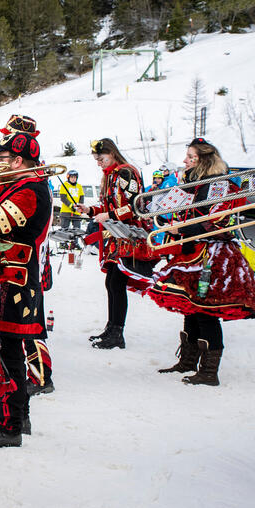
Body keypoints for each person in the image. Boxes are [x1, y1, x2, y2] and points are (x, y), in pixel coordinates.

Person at [148, 138, 255, 385]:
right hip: (191, 249)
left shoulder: (218, 185)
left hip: (212, 253)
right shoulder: (190, 183)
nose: (184, 161)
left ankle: (209, 372)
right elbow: (171, 211)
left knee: (205, 311)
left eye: (190, 157)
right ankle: (188, 361)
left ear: (203, 160)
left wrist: (183, 230)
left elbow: (217, 221)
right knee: (189, 307)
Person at [0, 125, 52, 448]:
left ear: (17, 161)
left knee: (10, 355)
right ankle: (17, 416)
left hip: (15, 284)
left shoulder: (30, 190)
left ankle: (11, 426)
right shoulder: (19, 184)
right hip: (7, 281)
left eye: (1, 157)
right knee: (9, 352)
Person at [78, 138, 157, 350]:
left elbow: (135, 206)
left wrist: (109, 214)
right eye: (96, 160)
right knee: (111, 282)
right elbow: (107, 206)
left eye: (101, 158)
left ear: (112, 153)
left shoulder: (126, 173)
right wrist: (91, 210)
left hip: (128, 235)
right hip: (115, 235)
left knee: (116, 283)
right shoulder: (109, 176)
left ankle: (117, 332)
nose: (99, 163)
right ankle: (111, 328)